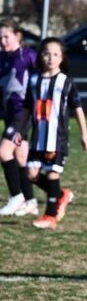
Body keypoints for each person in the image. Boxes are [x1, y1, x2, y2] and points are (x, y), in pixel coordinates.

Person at [14, 38, 87, 230]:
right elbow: (27, 108)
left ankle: (50, 216)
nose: (51, 58)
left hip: (57, 139)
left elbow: (78, 108)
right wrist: (20, 130)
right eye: (47, 53)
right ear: (41, 56)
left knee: (52, 174)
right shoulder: (34, 80)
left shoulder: (66, 81)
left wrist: (84, 134)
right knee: (31, 174)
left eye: (56, 54)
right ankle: (61, 194)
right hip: (37, 139)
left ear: (62, 58)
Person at [0, 22, 39, 216]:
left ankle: (16, 196)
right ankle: (31, 201)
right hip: (9, 113)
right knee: (21, 157)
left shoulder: (28, 55)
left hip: (22, 113)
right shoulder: (2, 58)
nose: (2, 41)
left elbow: (41, 79)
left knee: (3, 151)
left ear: (18, 36)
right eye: (0, 38)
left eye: (6, 37)